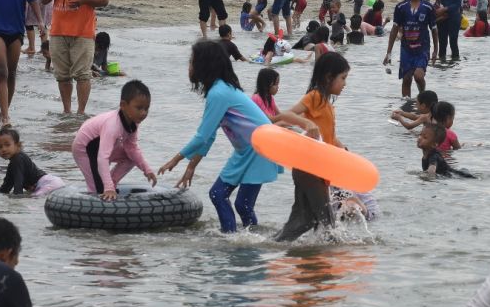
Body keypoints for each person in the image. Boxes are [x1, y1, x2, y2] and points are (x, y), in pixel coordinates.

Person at [159, 41, 315, 233]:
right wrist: (191, 167)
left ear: (204, 65)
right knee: (235, 202)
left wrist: (175, 160)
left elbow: (201, 136)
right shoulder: (221, 90)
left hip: (258, 148)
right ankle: (245, 240)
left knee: (225, 197)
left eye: (192, 61)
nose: (189, 66)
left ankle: (235, 240)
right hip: (249, 150)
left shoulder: (219, 92)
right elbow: (208, 137)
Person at [274, 52, 352, 242]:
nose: (345, 84)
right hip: (309, 169)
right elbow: (287, 114)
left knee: (304, 219)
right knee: (328, 222)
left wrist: (342, 149)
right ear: (328, 77)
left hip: (317, 168)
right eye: (342, 78)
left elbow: (328, 136)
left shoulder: (327, 103)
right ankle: (332, 256)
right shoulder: (315, 96)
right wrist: (306, 124)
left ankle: (273, 245)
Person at [39, 0, 110, 115]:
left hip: (83, 32)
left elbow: (104, 0)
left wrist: (84, 0)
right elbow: (44, 0)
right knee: (62, 75)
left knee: (82, 74)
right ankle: (66, 111)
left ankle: (80, 113)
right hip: (58, 31)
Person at [72, 80, 157, 200]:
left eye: (146, 109)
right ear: (123, 105)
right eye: (139, 108)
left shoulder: (133, 123)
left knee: (131, 157)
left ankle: (112, 180)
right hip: (84, 149)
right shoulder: (112, 125)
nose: (143, 113)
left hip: (101, 147)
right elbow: (103, 157)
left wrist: (147, 170)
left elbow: (132, 149)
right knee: (97, 190)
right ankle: (105, 187)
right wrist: (108, 188)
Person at [383, 0, 438, 103]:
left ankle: (423, 98)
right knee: (407, 78)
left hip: (422, 49)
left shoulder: (428, 8)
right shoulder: (401, 7)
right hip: (406, 49)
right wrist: (389, 52)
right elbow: (394, 29)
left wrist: (435, 50)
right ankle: (406, 105)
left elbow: (434, 30)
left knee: (418, 76)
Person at [0, 126, 64, 196]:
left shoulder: (17, 159)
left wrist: (16, 203)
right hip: (52, 183)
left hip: (49, 184)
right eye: (0, 147)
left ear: (18, 145)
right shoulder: (12, 164)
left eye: (7, 145)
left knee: (34, 199)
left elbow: (18, 185)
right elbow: (6, 187)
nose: (4, 149)